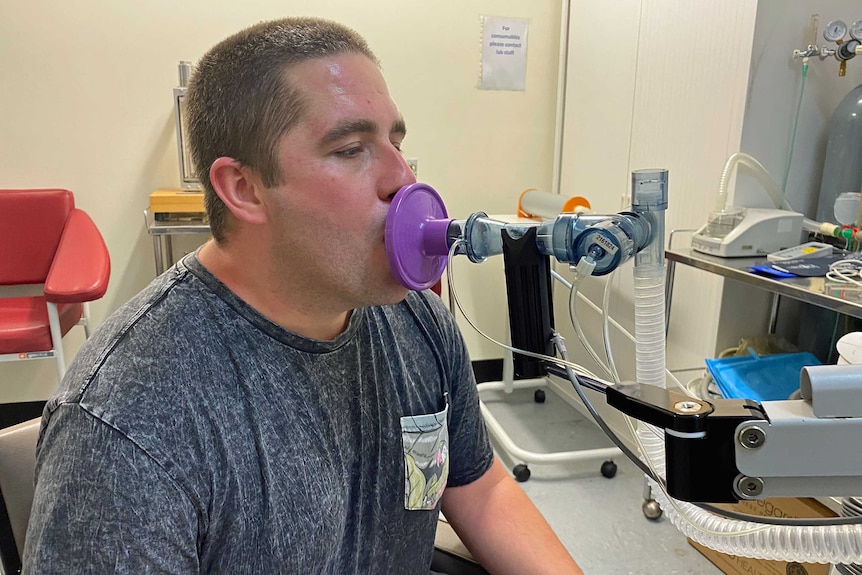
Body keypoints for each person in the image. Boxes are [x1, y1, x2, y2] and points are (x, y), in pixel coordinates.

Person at [23, 17, 583, 575]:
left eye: (395, 142)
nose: (403, 180)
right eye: (349, 149)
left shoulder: (421, 324)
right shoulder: (127, 423)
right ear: (244, 190)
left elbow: (478, 489)